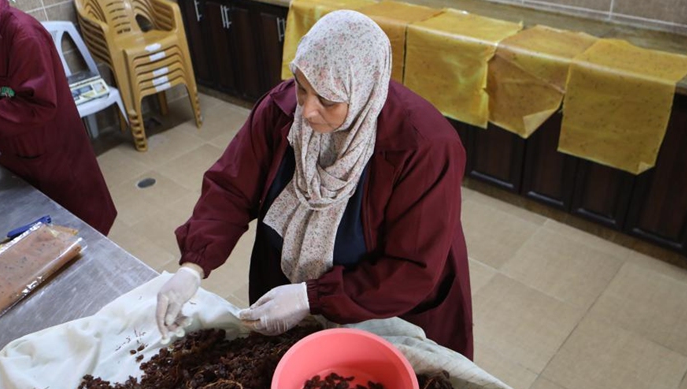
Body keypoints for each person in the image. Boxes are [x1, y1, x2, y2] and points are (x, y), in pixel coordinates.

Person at [156, 10, 473, 358]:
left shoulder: (423, 147)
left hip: (378, 307)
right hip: (284, 288)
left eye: (327, 99)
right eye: (302, 87)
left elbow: (410, 269)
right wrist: (193, 265)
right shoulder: (282, 109)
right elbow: (231, 187)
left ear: (363, 90)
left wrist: (312, 296)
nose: (306, 111)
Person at [0, 0, 117, 235]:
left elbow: (36, 107)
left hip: (52, 162)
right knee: (47, 240)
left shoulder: (23, 35)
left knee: (81, 233)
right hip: (15, 159)